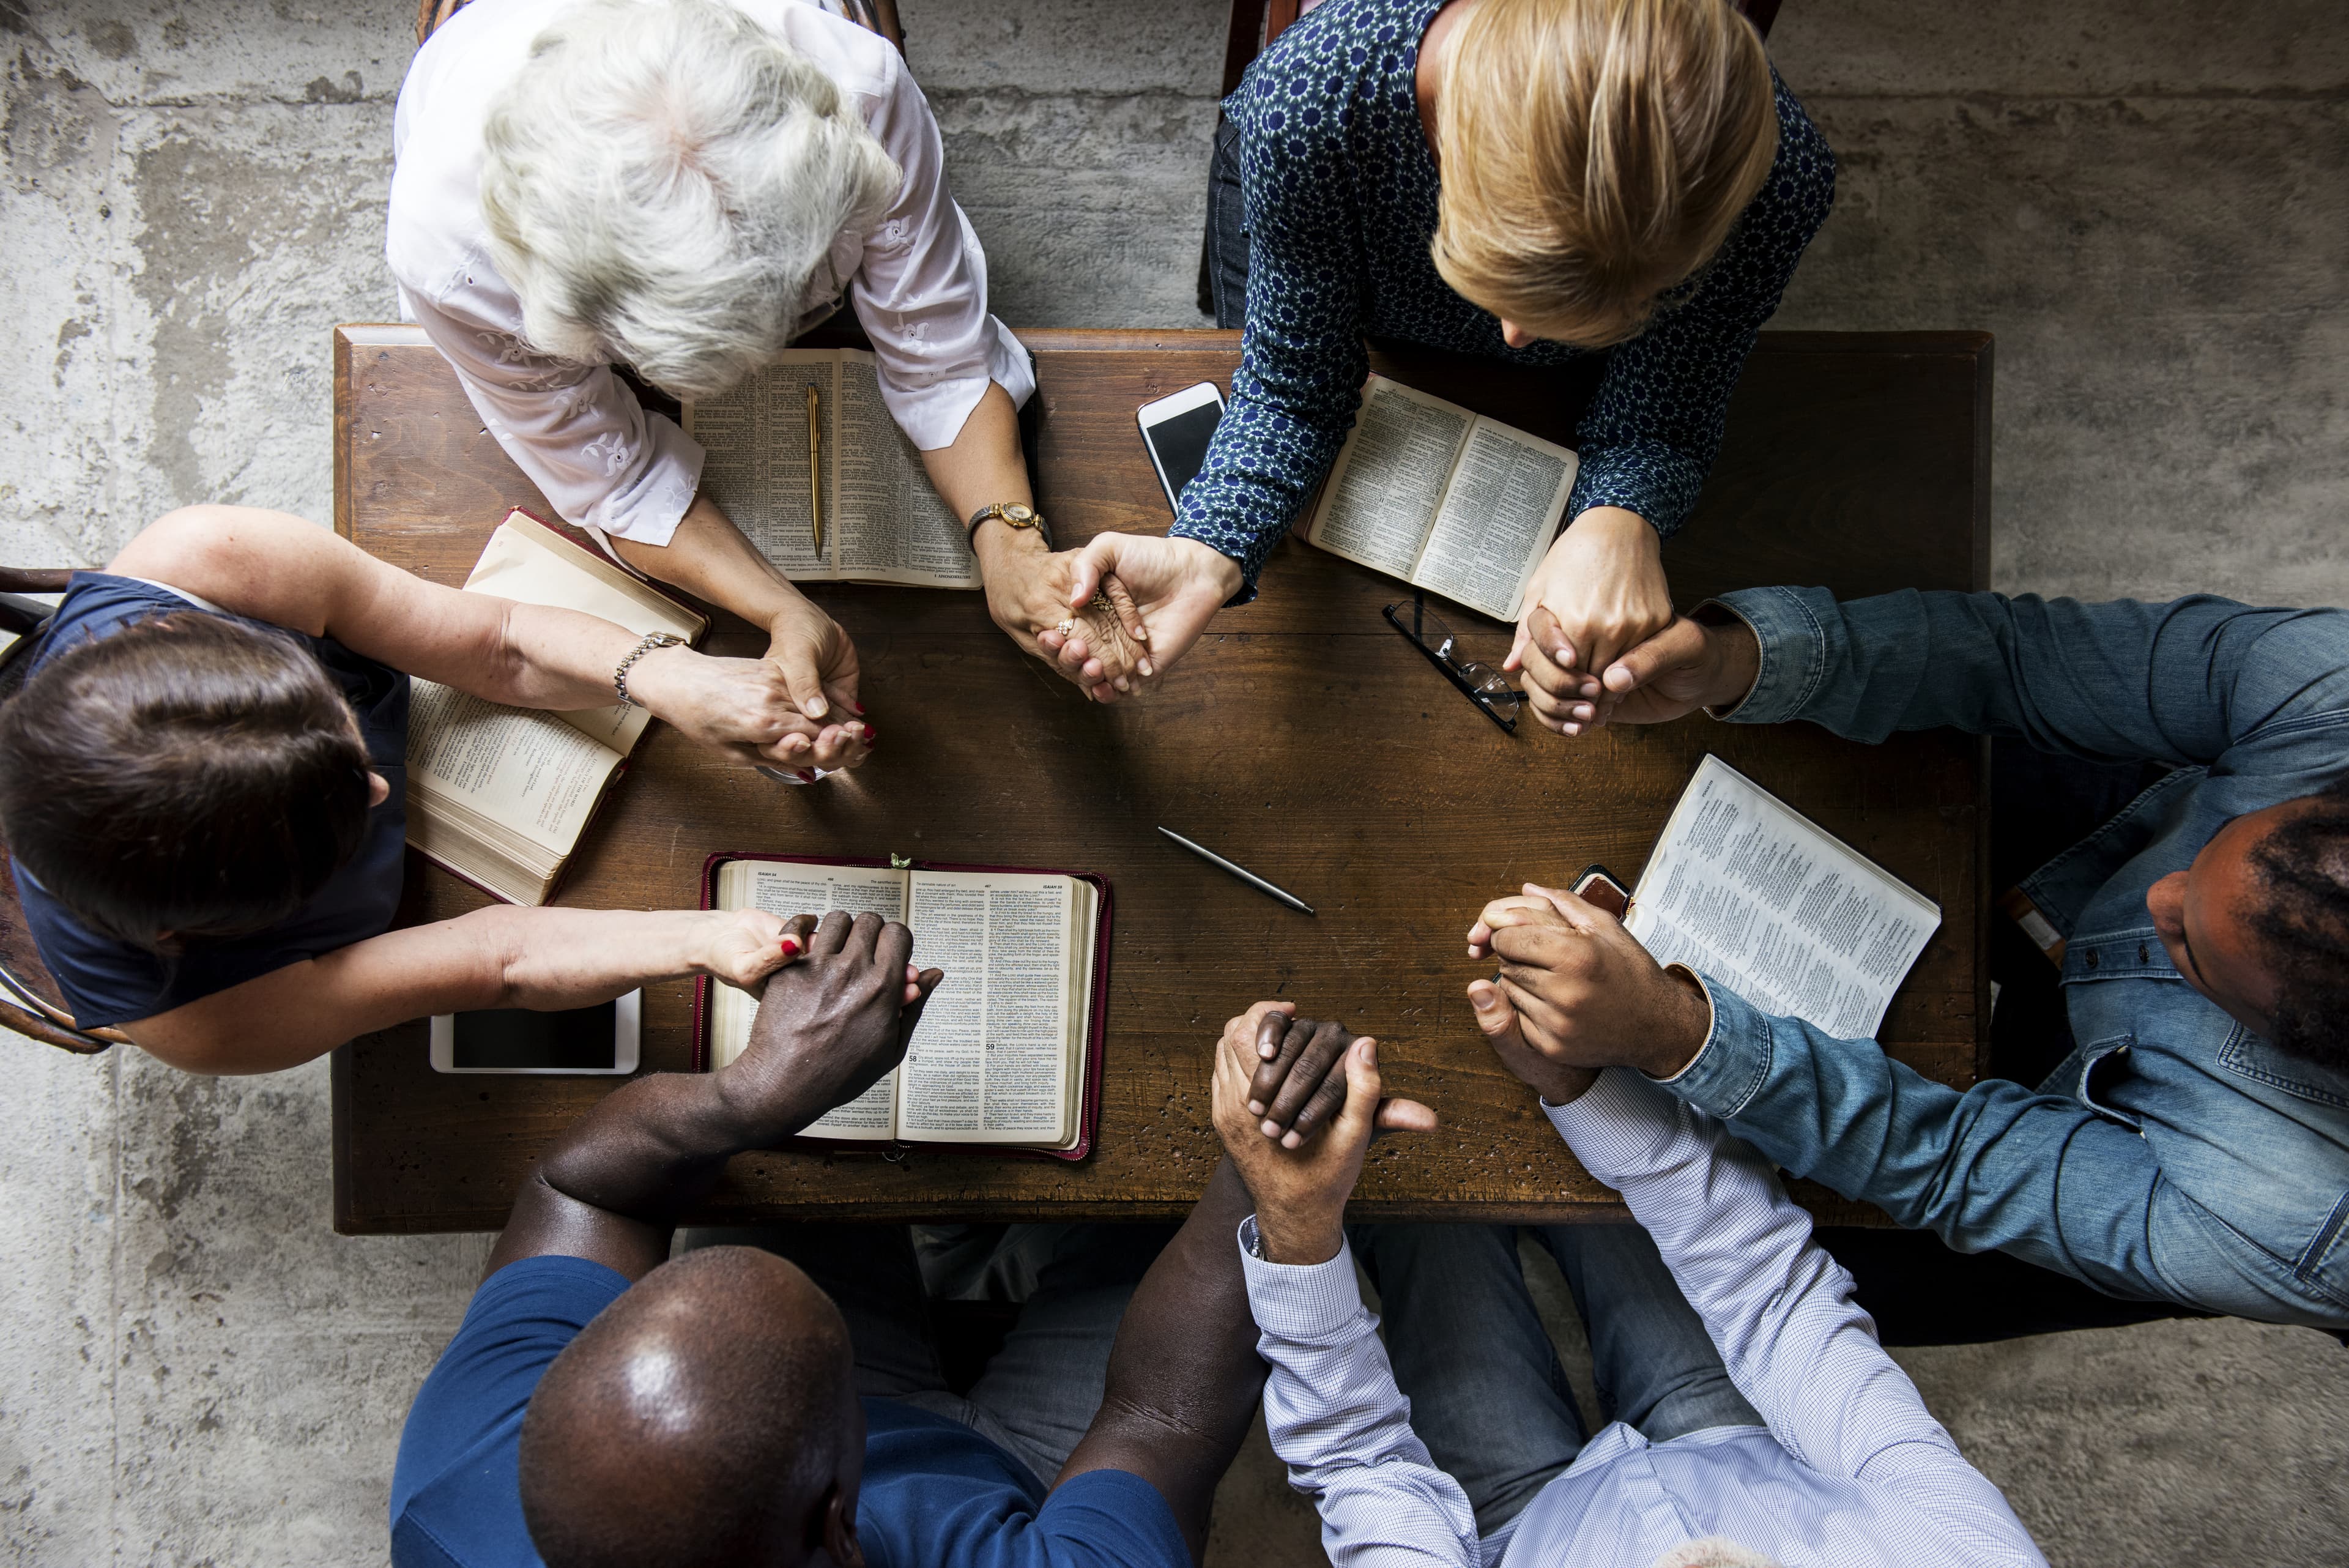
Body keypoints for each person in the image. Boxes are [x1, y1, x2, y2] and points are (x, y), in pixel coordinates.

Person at [1469, 585, 2349, 1330]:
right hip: (2109, 834)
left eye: (2191, 946)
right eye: (2211, 849)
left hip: (2160, 1150)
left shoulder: (2295, 1221)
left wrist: (1676, 1032)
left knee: (1799, 1276)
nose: (2161, 898)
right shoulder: (2332, 694)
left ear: (2283, 1039)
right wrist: (1740, 657)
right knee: (1834, 747)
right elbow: (2017, 655)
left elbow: (1953, 1161)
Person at [391, 909, 1267, 1568]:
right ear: (841, 1525)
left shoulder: (464, 1489)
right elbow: (1162, 1418)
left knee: (788, 1170)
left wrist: (752, 1095)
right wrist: (1266, 1163)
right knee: (1182, 1191)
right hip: (1040, 1476)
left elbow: (576, 1189)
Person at [1061, 0, 1833, 720]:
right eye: (1499, 276)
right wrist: (1209, 549)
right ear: (1445, 148)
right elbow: (1295, 387)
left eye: (1616, 305)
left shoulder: (1779, 182)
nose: (1516, 340)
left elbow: (1670, 398)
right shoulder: (1311, 104)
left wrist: (1619, 517)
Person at [392, 0, 1146, 715]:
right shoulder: (449, 259)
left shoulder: (860, 87)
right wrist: (781, 608)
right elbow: (614, 478)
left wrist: (1010, 544)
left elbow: (940, 353)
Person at [1213, 998, 2048, 1567]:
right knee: (1600, 1142)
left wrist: (1299, 1224)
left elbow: (1361, 1457)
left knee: (1411, 1177)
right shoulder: (1969, 1552)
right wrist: (1583, 1085)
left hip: (1515, 1524)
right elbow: (1779, 1301)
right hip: (1736, 1441)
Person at [0, 507, 831, 1074]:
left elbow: (500, 641)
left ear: (187, 632)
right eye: (328, 826)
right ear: (192, 930)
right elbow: (497, 963)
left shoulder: (204, 564)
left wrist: (667, 675)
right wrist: (707, 939)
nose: (373, 785)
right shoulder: (202, 1018)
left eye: (337, 731)